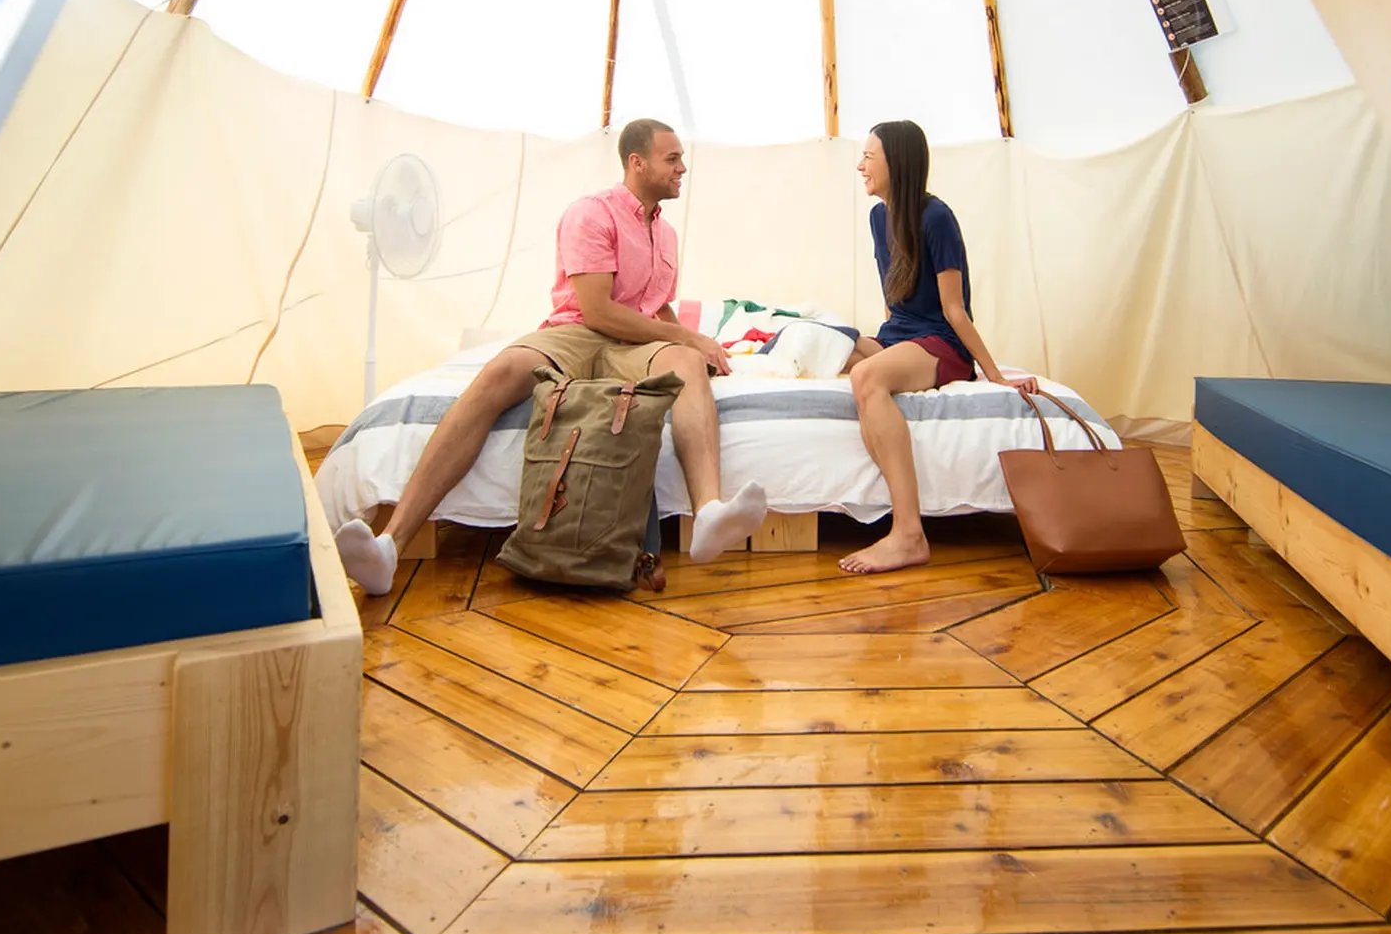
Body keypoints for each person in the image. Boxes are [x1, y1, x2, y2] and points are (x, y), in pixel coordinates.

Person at [334, 119, 767, 595]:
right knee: (500, 371)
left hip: (635, 345)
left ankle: (708, 514)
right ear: (637, 163)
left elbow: (657, 306)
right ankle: (390, 545)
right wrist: (685, 336)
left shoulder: (665, 235)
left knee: (686, 366)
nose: (682, 168)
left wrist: (692, 343)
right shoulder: (591, 213)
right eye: (673, 158)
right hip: (579, 331)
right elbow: (598, 311)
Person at [838, 119, 1037, 575]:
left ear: (896, 162)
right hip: (901, 336)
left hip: (940, 342)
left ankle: (909, 533)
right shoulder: (878, 218)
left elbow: (955, 310)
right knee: (835, 347)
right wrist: (881, 344)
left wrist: (993, 374)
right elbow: (894, 299)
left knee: (865, 377)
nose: (860, 166)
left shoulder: (936, 218)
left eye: (868, 157)